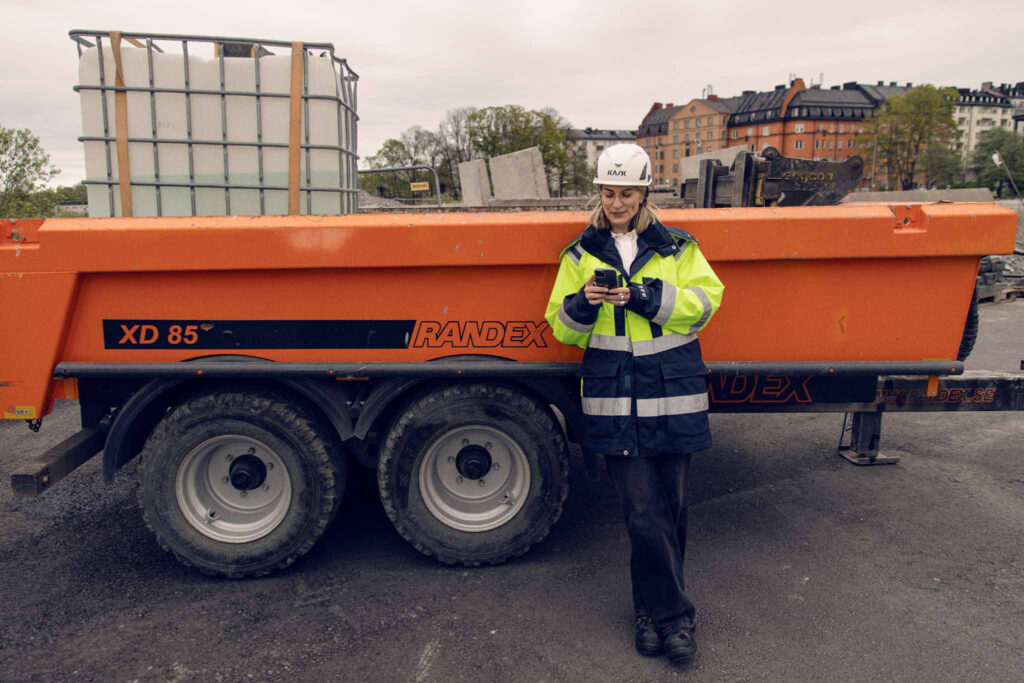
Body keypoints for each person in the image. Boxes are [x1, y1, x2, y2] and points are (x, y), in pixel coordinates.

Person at [544, 143, 724, 666]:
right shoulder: (580, 255)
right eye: (607, 192)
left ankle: (648, 613)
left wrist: (646, 298)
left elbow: (705, 306)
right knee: (642, 514)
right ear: (598, 195)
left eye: (625, 193)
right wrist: (584, 302)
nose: (616, 202)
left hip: (673, 395)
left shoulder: (679, 248)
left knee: (672, 512)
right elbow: (561, 326)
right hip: (616, 401)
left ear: (644, 194)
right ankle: (676, 621)